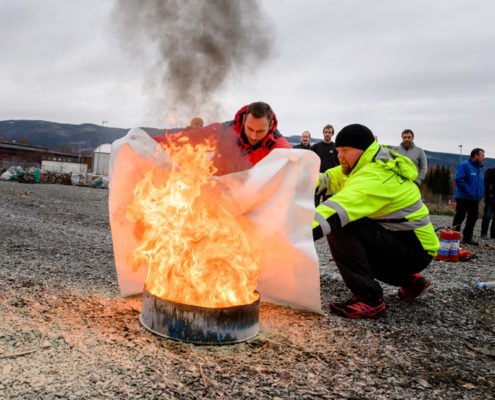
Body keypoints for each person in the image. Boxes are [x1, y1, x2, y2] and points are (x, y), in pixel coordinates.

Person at [312, 124, 439, 319]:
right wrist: (294, 181)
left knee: (342, 224)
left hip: (413, 249)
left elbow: (332, 212)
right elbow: (327, 179)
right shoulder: (368, 164)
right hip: (412, 246)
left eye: (345, 151)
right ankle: (410, 281)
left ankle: (369, 298)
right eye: (338, 151)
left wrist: (287, 234)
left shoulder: (375, 175)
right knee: (355, 231)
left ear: (362, 150)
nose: (340, 156)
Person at [154, 101, 291, 174]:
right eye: (250, 129)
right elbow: (192, 137)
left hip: (246, 205)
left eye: (260, 131)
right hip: (214, 196)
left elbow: (296, 161)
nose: (254, 136)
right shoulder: (225, 130)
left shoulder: (277, 146)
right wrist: (150, 143)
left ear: (271, 125)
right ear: (244, 120)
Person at [452, 148, 485, 245]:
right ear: (475, 155)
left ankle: (467, 238)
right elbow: (458, 179)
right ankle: (454, 237)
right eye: (482, 155)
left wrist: (481, 193)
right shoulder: (465, 165)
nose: (484, 157)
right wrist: (468, 191)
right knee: (460, 216)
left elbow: (480, 183)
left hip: (475, 198)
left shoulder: (480, 168)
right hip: (463, 197)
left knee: (473, 217)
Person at [311, 124, 339, 205]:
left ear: (332, 134)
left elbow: (339, 164)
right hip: (318, 179)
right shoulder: (315, 147)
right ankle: (313, 217)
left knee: (327, 204)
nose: (327, 134)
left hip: (330, 180)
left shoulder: (336, 148)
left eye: (329, 132)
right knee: (315, 203)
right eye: (326, 132)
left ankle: (325, 218)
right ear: (323, 133)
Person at [481, 167, 495, 239]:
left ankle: (493, 235)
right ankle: (484, 234)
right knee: (487, 216)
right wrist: (488, 195)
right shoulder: (491, 171)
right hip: (491, 198)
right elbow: (486, 184)